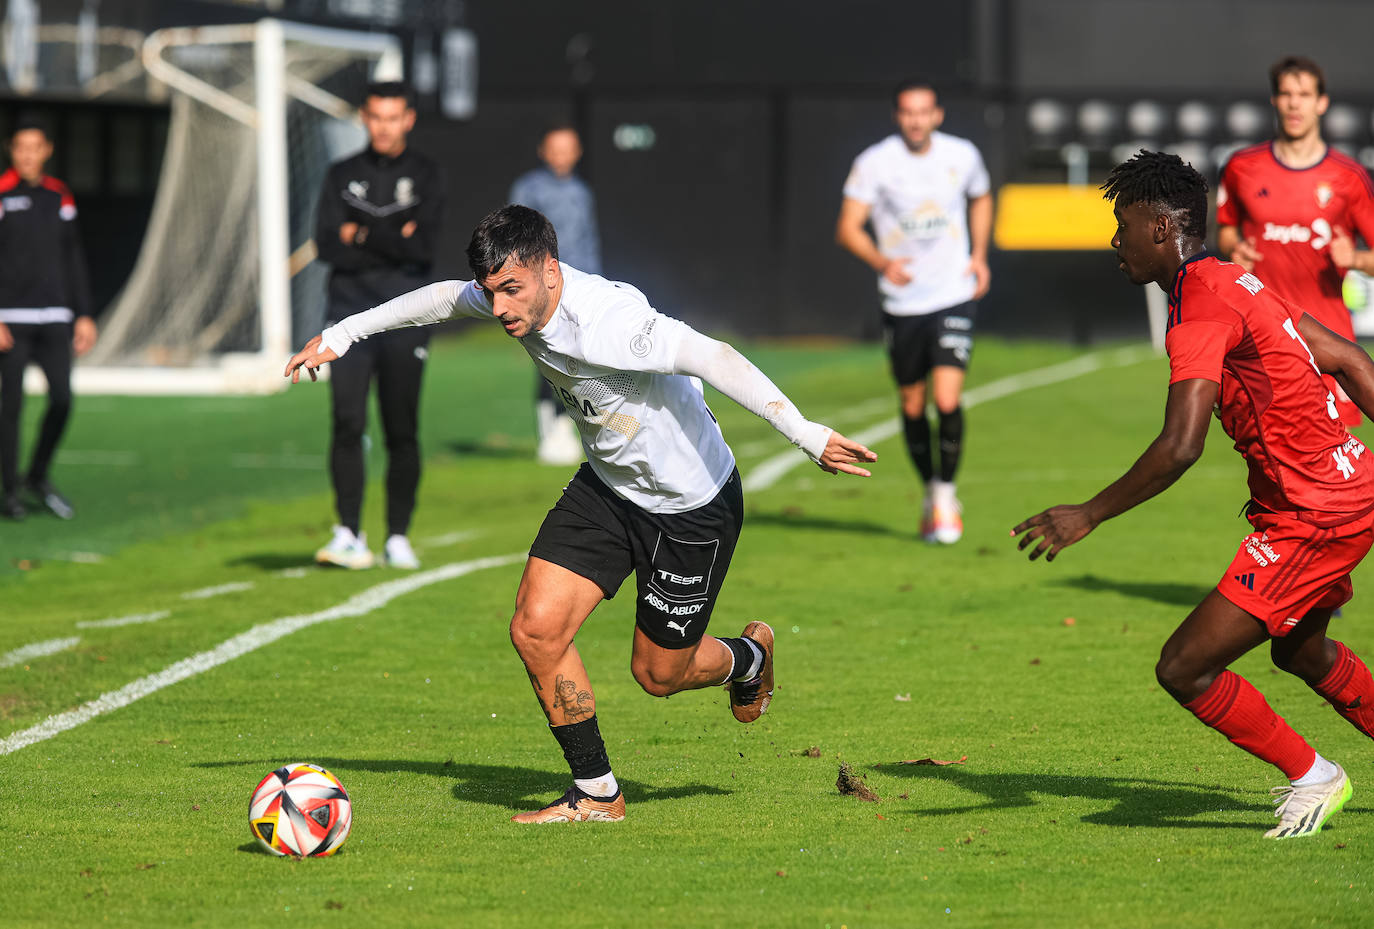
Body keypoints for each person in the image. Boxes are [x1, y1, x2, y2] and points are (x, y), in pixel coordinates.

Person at [286, 205, 877, 823]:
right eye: (492, 293)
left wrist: (807, 434)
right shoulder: (502, 292)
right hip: (609, 488)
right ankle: (597, 792)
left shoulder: (612, 323)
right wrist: (342, 334)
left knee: (658, 674)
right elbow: (438, 299)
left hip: (690, 505)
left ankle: (747, 661)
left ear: (550, 268)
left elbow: (716, 356)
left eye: (513, 289)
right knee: (535, 628)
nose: (501, 307)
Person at [1014, 150, 1374, 840]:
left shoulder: (1203, 301)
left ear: (1158, 226)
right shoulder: (1234, 280)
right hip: (1335, 493)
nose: (1114, 241)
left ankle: (1316, 775)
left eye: (1122, 225)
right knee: (1302, 651)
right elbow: (1349, 358)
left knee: (1184, 666)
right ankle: (1318, 771)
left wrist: (1087, 513)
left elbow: (1181, 445)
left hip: (1315, 514)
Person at [836, 79, 992, 544]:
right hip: (903, 303)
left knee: (946, 400)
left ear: (937, 115)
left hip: (952, 293)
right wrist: (883, 262)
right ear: (897, 116)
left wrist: (979, 255)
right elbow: (848, 228)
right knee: (911, 403)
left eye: (924, 111)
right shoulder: (875, 163)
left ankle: (945, 495)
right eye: (908, 112)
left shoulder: (962, 155)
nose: (917, 120)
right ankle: (929, 490)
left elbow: (981, 197)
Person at [312, 81, 443, 570]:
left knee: (401, 428)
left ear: (408, 119)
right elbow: (327, 245)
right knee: (347, 422)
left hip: (405, 318)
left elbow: (423, 247)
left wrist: (361, 230)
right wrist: (393, 233)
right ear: (363, 119)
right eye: (375, 117)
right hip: (347, 314)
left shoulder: (427, 175)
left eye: (393, 117)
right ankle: (348, 532)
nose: (384, 127)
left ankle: (398, 536)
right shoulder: (341, 174)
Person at [1217, 55, 1374, 427]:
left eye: (1303, 94)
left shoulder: (1348, 178)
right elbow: (1225, 229)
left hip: (1328, 343)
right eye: (1285, 94)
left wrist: (1353, 257)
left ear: (1322, 103)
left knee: (1335, 464)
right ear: (1274, 100)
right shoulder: (1241, 167)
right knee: (1268, 463)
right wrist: (1233, 248)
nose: (1293, 103)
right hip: (1262, 341)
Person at [0, 119, 98, 521]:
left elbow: (73, 256)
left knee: (62, 399)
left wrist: (85, 313)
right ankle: (10, 493)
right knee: (11, 405)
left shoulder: (60, 196)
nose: (27, 154)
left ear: (47, 151)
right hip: (10, 319)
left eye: (34, 147)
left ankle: (37, 475)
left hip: (56, 316)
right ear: (12, 151)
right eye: (20, 147)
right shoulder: (3, 193)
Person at [509, 125, 602, 466]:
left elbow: (589, 239)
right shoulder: (529, 188)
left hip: (577, 287)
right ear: (543, 151)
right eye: (555, 149)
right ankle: (549, 432)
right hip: (542, 289)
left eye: (568, 149)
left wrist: (596, 283)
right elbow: (516, 240)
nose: (561, 157)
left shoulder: (581, 191)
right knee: (546, 357)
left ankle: (573, 426)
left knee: (578, 357)